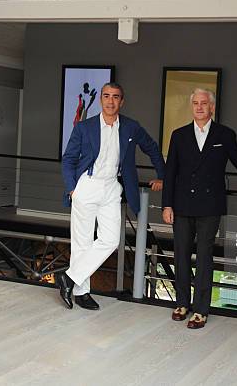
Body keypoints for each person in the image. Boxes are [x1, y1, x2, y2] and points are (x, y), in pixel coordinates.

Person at [162, 88, 237, 329]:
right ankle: (182, 304)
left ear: (212, 107)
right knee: (182, 256)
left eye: (204, 103)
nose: (199, 107)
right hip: (182, 205)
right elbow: (170, 173)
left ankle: (201, 311)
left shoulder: (225, 135)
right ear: (192, 107)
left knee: (205, 258)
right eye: (195, 103)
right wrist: (167, 205)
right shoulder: (179, 135)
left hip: (210, 206)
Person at [58, 82, 165, 310]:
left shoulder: (130, 127)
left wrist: (162, 175)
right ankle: (82, 292)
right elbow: (68, 159)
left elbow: (152, 148)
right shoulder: (84, 127)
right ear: (101, 100)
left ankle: (69, 278)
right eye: (106, 96)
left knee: (110, 239)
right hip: (86, 185)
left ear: (121, 101)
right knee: (82, 242)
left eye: (115, 97)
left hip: (111, 188)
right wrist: (72, 189)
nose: (110, 100)